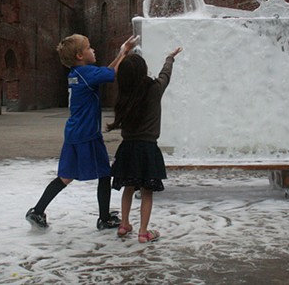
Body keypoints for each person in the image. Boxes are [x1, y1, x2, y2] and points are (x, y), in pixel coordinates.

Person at [25, 33, 140, 230]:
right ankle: (104, 219)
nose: (93, 50)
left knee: (66, 176)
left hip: (73, 133)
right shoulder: (87, 73)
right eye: (89, 48)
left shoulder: (77, 74)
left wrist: (122, 52)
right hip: (88, 135)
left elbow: (106, 71)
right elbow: (113, 74)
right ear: (80, 56)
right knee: (104, 173)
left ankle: (37, 211)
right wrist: (125, 52)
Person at [107, 47, 183, 243]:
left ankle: (124, 225)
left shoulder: (124, 93)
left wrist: (122, 55)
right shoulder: (154, 89)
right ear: (143, 71)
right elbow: (165, 75)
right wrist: (169, 58)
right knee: (147, 192)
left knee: (129, 187)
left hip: (128, 148)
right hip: (148, 148)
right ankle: (143, 231)